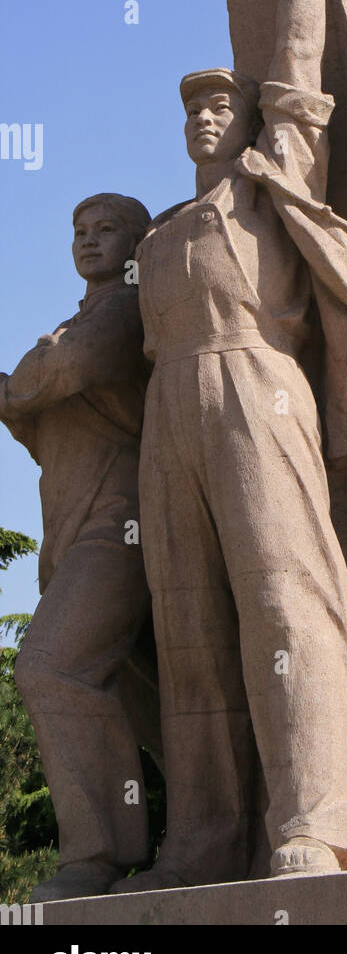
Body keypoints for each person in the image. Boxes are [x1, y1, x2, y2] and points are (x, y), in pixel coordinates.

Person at [114, 0, 347, 893]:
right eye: (192, 110)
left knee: (286, 597)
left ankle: (320, 817)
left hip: (257, 383)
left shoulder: (269, 185)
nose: (204, 119)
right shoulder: (165, 231)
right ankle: (206, 836)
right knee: (187, 620)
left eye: (220, 106)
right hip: (170, 404)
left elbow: (299, 79)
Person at [2, 192, 157, 902]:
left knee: (49, 666)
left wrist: (22, 383)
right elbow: (34, 411)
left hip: (119, 528)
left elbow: (60, 373)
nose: (90, 241)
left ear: (138, 241)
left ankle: (95, 856)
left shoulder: (125, 309)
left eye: (107, 230)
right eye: (80, 232)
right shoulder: (78, 320)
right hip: (71, 534)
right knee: (138, 702)